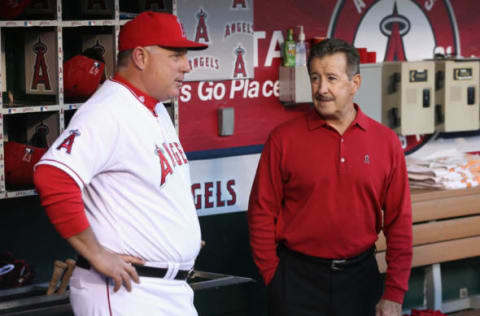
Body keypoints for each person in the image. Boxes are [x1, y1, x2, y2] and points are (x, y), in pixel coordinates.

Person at [33, 11, 207, 316]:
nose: (187, 65)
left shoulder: (157, 109)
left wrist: (178, 237)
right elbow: (53, 176)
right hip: (128, 292)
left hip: (167, 290)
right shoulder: (108, 110)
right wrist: (96, 254)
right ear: (140, 57)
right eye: (176, 55)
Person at [247, 38, 412, 316]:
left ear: (355, 84)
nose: (321, 89)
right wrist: (273, 278)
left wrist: (394, 293)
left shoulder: (386, 142)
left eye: (332, 79)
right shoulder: (282, 140)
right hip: (296, 281)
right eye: (315, 78)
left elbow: (399, 222)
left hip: (361, 281)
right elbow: (261, 212)